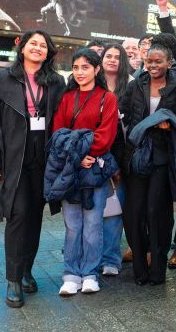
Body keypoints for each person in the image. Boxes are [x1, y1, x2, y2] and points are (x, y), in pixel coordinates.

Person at [0, 30, 65, 308]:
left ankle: (27, 270)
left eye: (43, 45)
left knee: (35, 218)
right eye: (33, 44)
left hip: (44, 157)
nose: (38, 48)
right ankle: (13, 280)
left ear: (48, 52)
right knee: (18, 215)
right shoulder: (5, 78)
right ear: (23, 47)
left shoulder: (56, 81)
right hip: (14, 157)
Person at [50, 49, 119, 296]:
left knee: (92, 225)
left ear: (96, 69)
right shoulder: (67, 97)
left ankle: (90, 273)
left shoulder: (107, 98)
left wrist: (84, 154)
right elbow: (58, 133)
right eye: (76, 67)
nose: (80, 72)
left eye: (85, 67)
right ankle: (70, 274)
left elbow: (105, 135)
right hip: (71, 169)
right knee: (72, 225)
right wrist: (77, 158)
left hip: (95, 169)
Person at [120, 40, 176, 285]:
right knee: (135, 213)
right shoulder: (136, 84)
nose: (152, 65)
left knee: (157, 214)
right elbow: (124, 115)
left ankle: (158, 270)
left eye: (158, 61)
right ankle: (140, 268)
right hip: (137, 157)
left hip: (163, 158)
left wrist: (171, 125)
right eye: (149, 61)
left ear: (169, 63)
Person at [100, 43, 134, 276]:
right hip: (93, 156)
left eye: (117, 57)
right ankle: (91, 256)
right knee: (91, 210)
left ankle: (111, 259)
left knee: (114, 210)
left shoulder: (130, 87)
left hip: (120, 157)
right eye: (108, 56)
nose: (112, 60)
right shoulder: (91, 84)